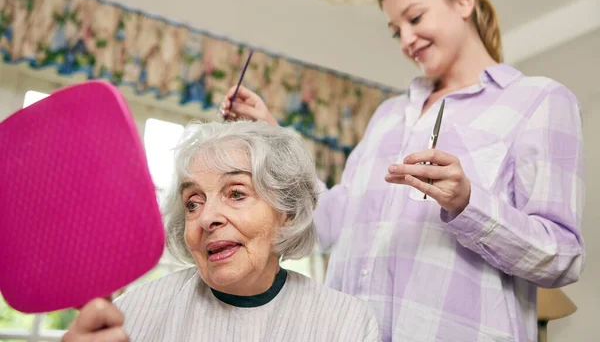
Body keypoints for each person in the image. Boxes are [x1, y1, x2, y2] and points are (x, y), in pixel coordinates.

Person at [219, 0, 585, 342]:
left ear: (463, 0)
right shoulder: (388, 115)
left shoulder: (538, 100)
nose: (406, 40)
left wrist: (467, 204)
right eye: (396, 31)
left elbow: (561, 257)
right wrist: (272, 136)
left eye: (415, 18)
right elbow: (326, 226)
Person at [62, 121, 381, 342]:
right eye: (193, 203)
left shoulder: (346, 323)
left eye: (237, 193)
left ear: (287, 212)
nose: (206, 218)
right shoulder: (132, 313)